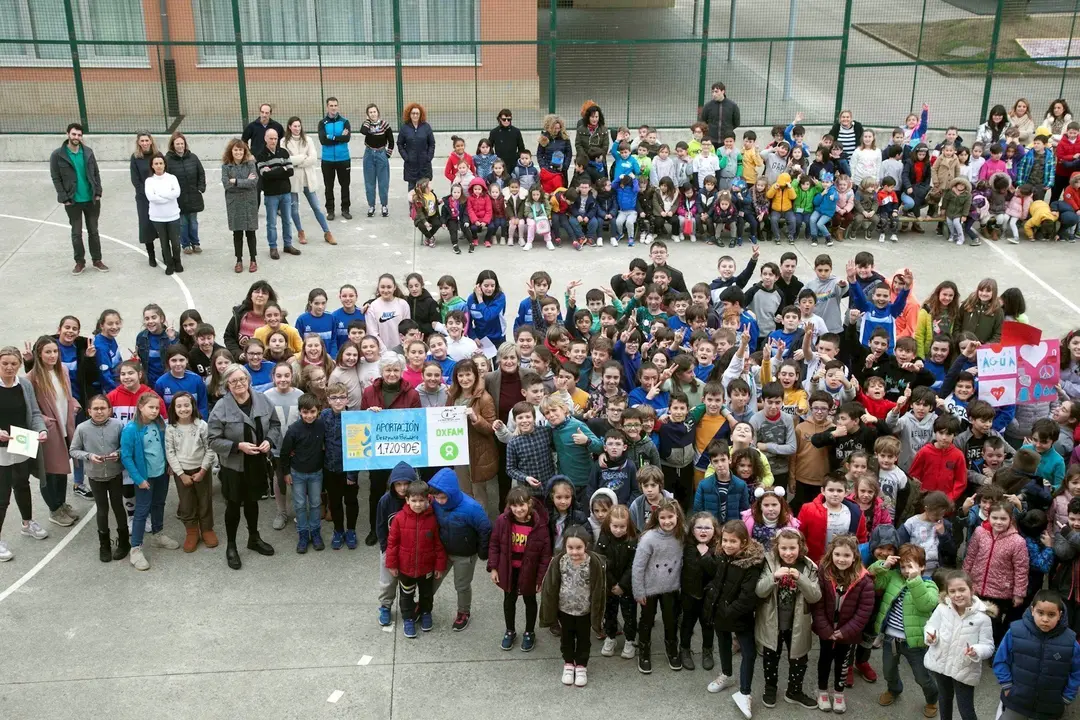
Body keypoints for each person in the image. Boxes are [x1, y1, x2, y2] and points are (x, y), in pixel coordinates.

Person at [207, 363, 280, 570]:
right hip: (233, 466)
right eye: (233, 381)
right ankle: (231, 546)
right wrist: (237, 446)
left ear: (248, 380)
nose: (239, 384)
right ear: (227, 385)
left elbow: (275, 424)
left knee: (252, 502)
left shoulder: (263, 400)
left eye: (242, 379)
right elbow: (212, 440)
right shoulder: (221, 407)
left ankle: (253, 538)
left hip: (256, 463)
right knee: (233, 505)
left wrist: (269, 440)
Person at [755, 527, 821, 709]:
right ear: (777, 547)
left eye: (792, 548)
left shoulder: (808, 567)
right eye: (784, 548)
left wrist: (801, 579)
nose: (788, 553)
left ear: (800, 547)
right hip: (772, 623)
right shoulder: (769, 563)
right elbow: (760, 591)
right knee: (770, 658)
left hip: (797, 624)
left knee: (799, 659)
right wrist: (773, 578)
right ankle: (770, 688)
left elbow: (815, 596)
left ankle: (794, 691)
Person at [704, 520, 765, 719]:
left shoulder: (752, 564)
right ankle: (727, 675)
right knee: (722, 642)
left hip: (740, 615)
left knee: (749, 652)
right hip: (719, 610)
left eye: (733, 541)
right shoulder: (721, 555)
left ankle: (745, 692)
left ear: (744, 542)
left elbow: (747, 597)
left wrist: (728, 611)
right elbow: (715, 578)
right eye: (725, 540)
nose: (728, 545)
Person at [811, 534, 875, 713]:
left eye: (847, 555)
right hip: (827, 631)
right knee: (824, 660)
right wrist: (825, 629)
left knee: (843, 663)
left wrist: (846, 631)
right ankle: (822, 691)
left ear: (854, 556)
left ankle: (839, 692)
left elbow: (864, 611)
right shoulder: (823, 574)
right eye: (837, 554)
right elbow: (817, 604)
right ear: (831, 554)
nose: (841, 559)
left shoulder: (864, 579)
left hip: (848, 634)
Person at [993, 589, 1080, 720]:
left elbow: (1076, 672)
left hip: (1049, 707)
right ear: (1032, 610)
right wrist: (1007, 685)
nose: (1045, 619)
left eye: (1051, 615)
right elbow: (1000, 660)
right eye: (1040, 613)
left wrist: (1067, 697)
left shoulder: (1070, 642)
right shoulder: (1015, 631)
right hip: (1016, 701)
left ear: (1060, 615)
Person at [539, 524, 606, 687]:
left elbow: (599, 588)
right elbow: (551, 586)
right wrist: (550, 611)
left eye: (579, 547)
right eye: (570, 547)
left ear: (586, 546)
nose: (574, 552)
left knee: (584, 639)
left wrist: (597, 613)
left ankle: (581, 665)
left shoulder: (593, 563)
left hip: (585, 610)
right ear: (565, 546)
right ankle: (568, 663)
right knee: (566, 638)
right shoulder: (559, 561)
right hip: (565, 609)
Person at [923, 570, 995, 720]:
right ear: (947, 593)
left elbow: (988, 646)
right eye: (952, 591)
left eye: (962, 589)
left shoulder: (983, 618)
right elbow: (930, 626)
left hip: (965, 667)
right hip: (941, 663)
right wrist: (931, 637)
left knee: (966, 709)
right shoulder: (942, 609)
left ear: (972, 590)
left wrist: (976, 651)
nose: (957, 595)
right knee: (944, 698)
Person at [120, 393, 179, 570]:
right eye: (150, 407)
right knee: (142, 510)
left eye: (157, 407)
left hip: (161, 473)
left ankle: (157, 534)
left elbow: (165, 447)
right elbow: (126, 457)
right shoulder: (131, 429)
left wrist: (168, 465)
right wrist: (138, 479)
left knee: (159, 504)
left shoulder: (160, 423)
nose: (154, 411)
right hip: (145, 478)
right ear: (140, 407)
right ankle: (136, 548)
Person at [489, 485, 552, 651]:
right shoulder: (503, 521)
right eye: (514, 506)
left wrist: (540, 579)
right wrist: (493, 568)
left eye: (522, 505)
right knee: (509, 600)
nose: (518, 509)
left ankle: (529, 632)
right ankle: (510, 630)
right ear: (509, 506)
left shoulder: (540, 526)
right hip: (509, 570)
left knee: (529, 601)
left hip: (529, 571)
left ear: (529, 503)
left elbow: (545, 556)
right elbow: (494, 544)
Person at [26, 335, 78, 529]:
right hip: (48, 431)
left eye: (55, 351)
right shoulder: (32, 378)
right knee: (49, 471)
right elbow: (30, 408)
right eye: (47, 352)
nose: (52, 355)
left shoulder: (62, 370)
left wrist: (73, 403)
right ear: (39, 354)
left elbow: (66, 396)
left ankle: (62, 504)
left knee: (63, 468)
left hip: (65, 426)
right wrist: (44, 420)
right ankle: (54, 509)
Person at [386, 480, 446, 638]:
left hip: (427, 568)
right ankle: (408, 619)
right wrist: (392, 565)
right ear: (407, 500)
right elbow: (392, 544)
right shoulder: (399, 519)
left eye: (421, 500)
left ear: (428, 500)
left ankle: (426, 613)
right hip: (405, 569)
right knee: (406, 595)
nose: (417, 504)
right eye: (413, 500)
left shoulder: (433, 520)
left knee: (427, 594)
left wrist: (439, 566)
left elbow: (438, 544)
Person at [69, 394, 126, 562]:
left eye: (103, 408)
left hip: (115, 474)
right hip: (95, 476)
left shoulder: (118, 425)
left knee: (118, 506)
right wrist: (88, 456)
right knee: (102, 510)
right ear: (89, 411)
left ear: (110, 410)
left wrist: (119, 453)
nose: (99, 411)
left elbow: (125, 446)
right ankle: (104, 545)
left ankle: (124, 542)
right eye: (96, 408)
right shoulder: (82, 428)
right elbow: (73, 450)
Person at [632, 499, 685, 674]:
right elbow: (638, 566)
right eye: (663, 517)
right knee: (646, 621)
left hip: (671, 588)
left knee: (671, 620)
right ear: (657, 517)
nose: (667, 521)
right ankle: (644, 651)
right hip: (649, 588)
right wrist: (638, 591)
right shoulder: (649, 538)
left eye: (671, 516)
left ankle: (672, 650)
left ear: (677, 516)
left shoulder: (682, 534)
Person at [50, 123, 106, 274]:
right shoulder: (57, 155)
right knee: (76, 233)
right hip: (73, 201)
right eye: (74, 134)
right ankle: (79, 262)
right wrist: (64, 198)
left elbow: (96, 173)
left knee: (93, 231)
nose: (77, 137)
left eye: (79, 135)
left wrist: (98, 192)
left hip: (91, 199)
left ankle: (97, 260)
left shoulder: (88, 152)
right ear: (68, 134)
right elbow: (56, 178)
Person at [164, 392, 216, 554]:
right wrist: (181, 474)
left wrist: (203, 470)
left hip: (201, 470)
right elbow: (170, 452)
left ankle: (207, 529)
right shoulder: (171, 429)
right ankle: (192, 531)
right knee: (186, 503)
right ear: (173, 408)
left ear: (193, 406)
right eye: (179, 406)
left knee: (204, 500)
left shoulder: (202, 426)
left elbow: (210, 448)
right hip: (182, 472)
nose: (183, 408)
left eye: (186, 405)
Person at [283, 116, 334, 247]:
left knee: (317, 207)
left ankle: (327, 232)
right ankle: (300, 232)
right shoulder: (284, 142)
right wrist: (301, 158)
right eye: (294, 126)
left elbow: (313, 158)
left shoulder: (308, 140)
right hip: (293, 180)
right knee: (294, 209)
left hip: (307, 179)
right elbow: (286, 160)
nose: (297, 129)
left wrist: (297, 162)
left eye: (299, 126)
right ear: (289, 127)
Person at [256, 128, 300, 260]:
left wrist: (274, 170)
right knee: (272, 223)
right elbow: (265, 174)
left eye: (275, 138)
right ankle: (273, 247)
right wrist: (282, 169)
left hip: (285, 192)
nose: (273, 141)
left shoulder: (283, 152)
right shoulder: (261, 155)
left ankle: (288, 245)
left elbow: (290, 171)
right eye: (271, 138)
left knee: (287, 220)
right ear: (265, 139)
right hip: (271, 194)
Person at [221, 138, 260, 274]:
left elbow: (253, 182)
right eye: (236, 150)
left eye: (240, 150)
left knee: (251, 233)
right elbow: (227, 185)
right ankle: (239, 260)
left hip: (249, 203)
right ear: (231, 151)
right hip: (235, 204)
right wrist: (244, 182)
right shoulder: (226, 166)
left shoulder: (250, 164)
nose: (238, 152)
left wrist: (236, 181)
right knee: (237, 234)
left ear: (245, 151)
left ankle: (253, 259)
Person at [164, 132, 205, 256]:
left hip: (193, 196)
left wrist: (201, 188)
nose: (180, 146)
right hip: (178, 198)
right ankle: (186, 244)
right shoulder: (168, 160)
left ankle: (195, 243)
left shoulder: (193, 158)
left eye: (182, 143)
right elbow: (166, 179)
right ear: (173, 145)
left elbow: (201, 173)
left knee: (193, 222)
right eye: (177, 144)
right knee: (183, 223)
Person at [144, 155, 183, 275]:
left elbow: (176, 193)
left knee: (175, 242)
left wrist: (160, 194)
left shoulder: (172, 178)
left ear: (164, 164)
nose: (159, 166)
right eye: (156, 164)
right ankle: (169, 263)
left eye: (161, 163)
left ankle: (177, 261)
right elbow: (151, 197)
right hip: (157, 217)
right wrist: (167, 195)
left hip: (173, 215)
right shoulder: (149, 181)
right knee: (164, 242)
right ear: (152, 166)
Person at [317, 97, 352, 221]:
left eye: (335, 105)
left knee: (345, 185)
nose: (333, 108)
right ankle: (330, 210)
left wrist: (330, 137)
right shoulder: (322, 123)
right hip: (327, 160)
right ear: (327, 107)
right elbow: (323, 140)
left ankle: (345, 209)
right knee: (328, 186)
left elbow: (347, 138)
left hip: (343, 158)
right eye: (331, 105)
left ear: (338, 106)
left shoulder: (345, 121)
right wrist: (338, 137)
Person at [360, 103, 394, 218]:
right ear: (367, 115)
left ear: (378, 112)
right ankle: (371, 206)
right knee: (369, 182)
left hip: (381, 154)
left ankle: (384, 205)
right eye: (370, 112)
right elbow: (363, 131)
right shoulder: (367, 125)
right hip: (369, 154)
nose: (373, 114)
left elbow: (391, 140)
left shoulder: (384, 124)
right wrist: (368, 121)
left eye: (374, 112)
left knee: (383, 182)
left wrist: (387, 154)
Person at [399, 103, 435, 192]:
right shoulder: (404, 128)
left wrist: (428, 157)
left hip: (424, 164)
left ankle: (423, 206)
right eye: (413, 113)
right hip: (411, 164)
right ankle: (412, 206)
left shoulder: (426, 127)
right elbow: (400, 144)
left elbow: (432, 143)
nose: (415, 115)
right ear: (409, 114)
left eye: (417, 113)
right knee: (411, 190)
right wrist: (406, 157)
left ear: (420, 114)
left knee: (424, 190)